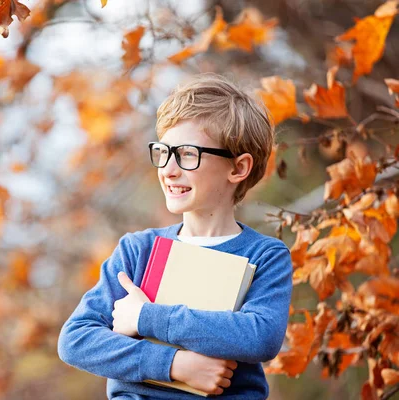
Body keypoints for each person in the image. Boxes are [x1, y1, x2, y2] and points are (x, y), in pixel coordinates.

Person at [57, 73, 293, 400]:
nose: (168, 169)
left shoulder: (265, 255)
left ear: (238, 168)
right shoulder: (138, 250)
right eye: (163, 152)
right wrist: (174, 364)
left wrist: (145, 317)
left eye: (186, 154)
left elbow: (259, 337)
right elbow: (76, 340)